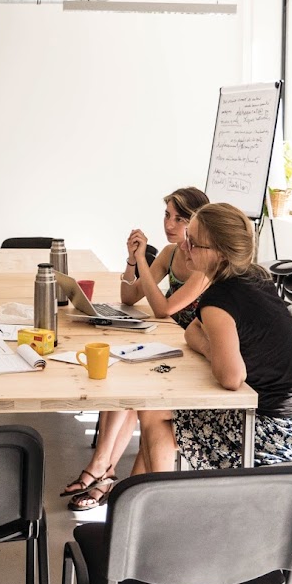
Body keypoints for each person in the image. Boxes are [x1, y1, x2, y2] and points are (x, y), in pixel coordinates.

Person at [136, 202, 292, 473]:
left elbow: (232, 378)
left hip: (274, 432)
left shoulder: (219, 299)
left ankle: (158, 505)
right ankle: (134, 495)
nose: (184, 246)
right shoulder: (255, 278)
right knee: (156, 410)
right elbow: (191, 331)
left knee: (154, 417)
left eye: (194, 243)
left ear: (219, 253)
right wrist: (215, 350)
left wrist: (214, 354)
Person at [62, 187, 212, 511]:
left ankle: (103, 472)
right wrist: (132, 261)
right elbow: (130, 297)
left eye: (179, 218)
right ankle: (104, 470)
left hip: (194, 352)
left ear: (198, 222)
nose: (170, 225)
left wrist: (143, 261)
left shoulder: (203, 264)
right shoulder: (171, 253)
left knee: (133, 390)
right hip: (171, 344)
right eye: (167, 215)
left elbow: (164, 309)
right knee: (125, 385)